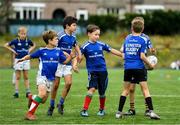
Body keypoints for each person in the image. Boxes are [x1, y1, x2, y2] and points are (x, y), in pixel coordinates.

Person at [17, 30, 75, 120]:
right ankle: (29, 114)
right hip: (42, 76)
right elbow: (31, 56)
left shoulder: (58, 51)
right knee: (42, 93)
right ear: (49, 41)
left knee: (43, 100)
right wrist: (22, 59)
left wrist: (70, 57)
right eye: (56, 39)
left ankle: (31, 97)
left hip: (50, 79)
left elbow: (64, 62)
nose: (58, 41)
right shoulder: (41, 51)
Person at [115, 17, 160, 120]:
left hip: (128, 67)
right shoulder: (142, 39)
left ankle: (119, 112)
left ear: (132, 27)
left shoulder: (128, 38)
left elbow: (123, 51)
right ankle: (151, 112)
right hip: (139, 67)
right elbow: (142, 56)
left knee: (125, 90)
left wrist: (125, 56)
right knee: (144, 89)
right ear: (142, 28)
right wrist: (150, 64)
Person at [80, 24, 122, 117]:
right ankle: (84, 109)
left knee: (102, 92)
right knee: (92, 89)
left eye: (98, 34)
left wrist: (123, 55)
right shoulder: (85, 46)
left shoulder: (101, 44)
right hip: (92, 72)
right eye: (95, 34)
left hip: (103, 71)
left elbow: (111, 50)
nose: (97, 36)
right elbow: (79, 56)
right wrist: (75, 64)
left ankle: (102, 110)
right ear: (89, 34)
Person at [47, 16, 81, 116]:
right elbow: (53, 47)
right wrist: (64, 53)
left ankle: (61, 103)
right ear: (67, 26)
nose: (76, 27)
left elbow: (76, 45)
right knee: (56, 85)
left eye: (76, 25)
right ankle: (52, 105)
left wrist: (79, 54)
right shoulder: (60, 35)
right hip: (58, 63)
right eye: (74, 25)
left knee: (69, 83)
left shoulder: (73, 36)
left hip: (67, 63)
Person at [4, 26, 36, 98]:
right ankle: (16, 92)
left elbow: (34, 45)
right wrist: (13, 51)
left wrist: (30, 50)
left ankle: (28, 92)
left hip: (26, 60)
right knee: (18, 77)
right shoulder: (15, 41)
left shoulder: (28, 41)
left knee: (26, 76)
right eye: (21, 34)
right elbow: (6, 45)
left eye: (24, 34)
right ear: (18, 34)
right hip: (18, 60)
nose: (23, 35)